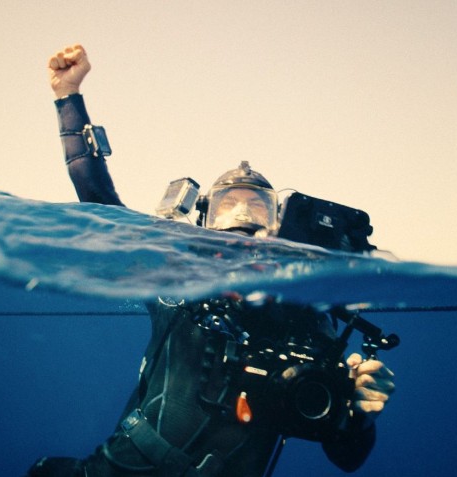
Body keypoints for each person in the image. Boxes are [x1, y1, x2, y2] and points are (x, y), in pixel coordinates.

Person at [27, 44, 395, 477]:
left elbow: (347, 457)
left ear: (277, 224)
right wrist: (68, 97)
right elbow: (100, 202)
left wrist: (360, 415)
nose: (241, 218)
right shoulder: (178, 282)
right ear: (204, 219)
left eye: (256, 207)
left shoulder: (305, 314)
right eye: (227, 205)